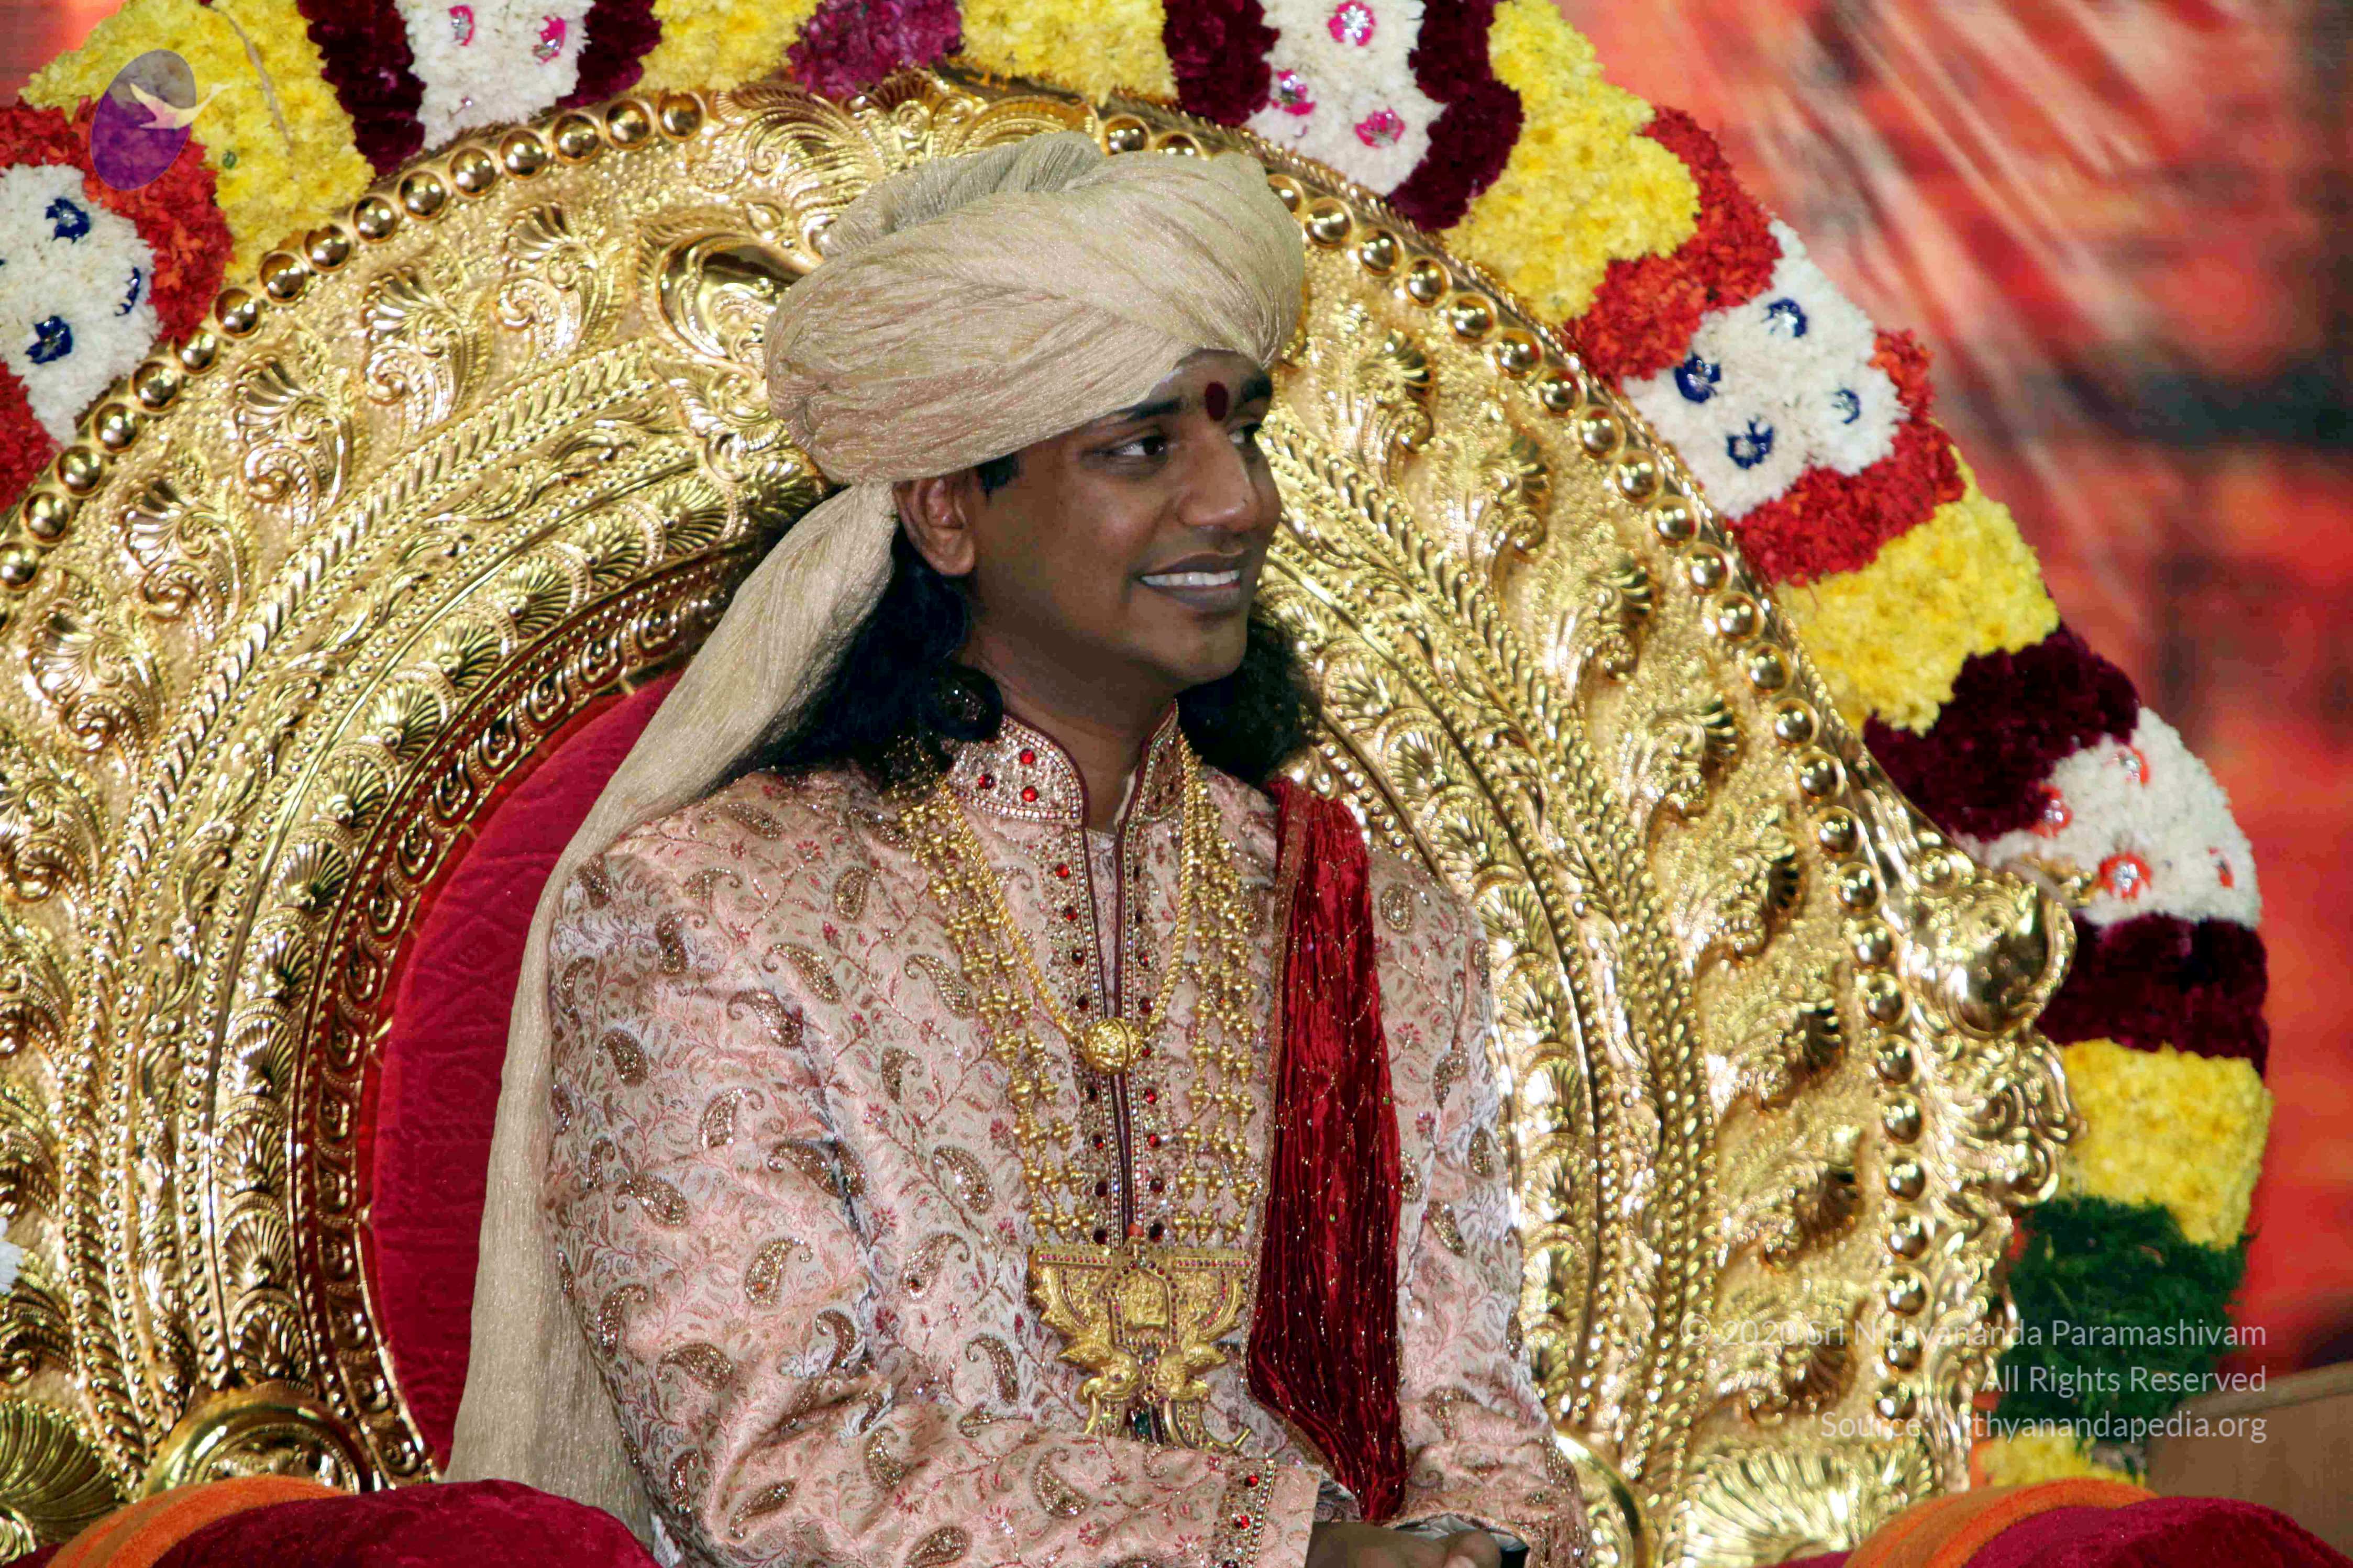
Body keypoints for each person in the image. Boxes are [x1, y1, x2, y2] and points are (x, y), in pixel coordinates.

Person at [450, 132, 1588, 1568]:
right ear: (948, 511)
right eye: (1143, 448)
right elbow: (772, 1471)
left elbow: (1480, 1429)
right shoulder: (711, 912)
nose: (1239, 503)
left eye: (1243, 432)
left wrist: (1480, 1548)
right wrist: (1272, 1551)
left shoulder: (1379, 926)